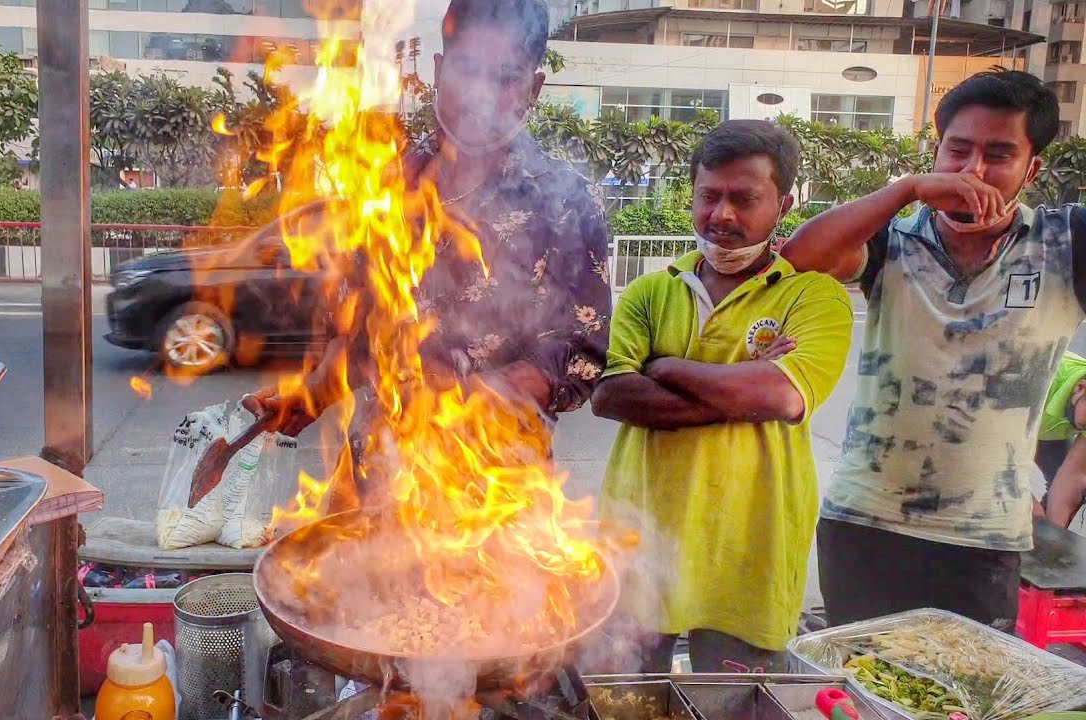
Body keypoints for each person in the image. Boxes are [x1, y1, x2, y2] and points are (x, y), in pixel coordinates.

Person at [245, 0, 612, 497]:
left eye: (504, 77)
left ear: (533, 89)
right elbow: (357, 336)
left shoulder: (567, 203)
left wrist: (451, 396)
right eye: (467, 69)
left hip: (497, 497)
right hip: (379, 476)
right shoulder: (387, 183)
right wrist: (310, 395)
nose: (481, 94)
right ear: (439, 70)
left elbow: (576, 359)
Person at [780, 69, 1086, 630]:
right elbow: (798, 257)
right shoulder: (890, 239)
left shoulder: (1064, 243)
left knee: (961, 703)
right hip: (865, 521)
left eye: (999, 154)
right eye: (957, 150)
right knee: (859, 693)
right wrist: (903, 190)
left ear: (1031, 168)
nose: (972, 172)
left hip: (984, 535)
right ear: (935, 150)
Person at [591, 120, 854, 673]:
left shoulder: (814, 296)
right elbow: (613, 395)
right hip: (637, 544)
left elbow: (781, 396)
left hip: (748, 551)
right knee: (624, 701)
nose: (723, 215)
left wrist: (662, 366)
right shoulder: (650, 290)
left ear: (782, 204)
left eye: (744, 198)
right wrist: (739, 389)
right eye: (709, 196)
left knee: (733, 706)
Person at [1035, 351, 1086, 528]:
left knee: (1064, 480)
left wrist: (1052, 536)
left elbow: (1072, 477)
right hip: (999, 423)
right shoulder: (1039, 378)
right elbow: (993, 462)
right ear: (1081, 388)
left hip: (1047, 431)